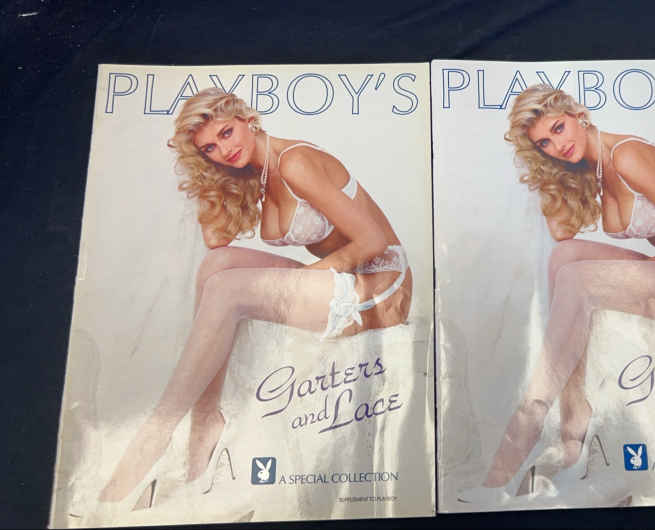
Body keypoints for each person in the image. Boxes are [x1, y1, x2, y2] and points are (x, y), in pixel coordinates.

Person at [85, 88, 412, 519]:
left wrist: (310, 276)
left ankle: (155, 436)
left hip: (380, 287)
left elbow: (371, 241)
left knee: (228, 290)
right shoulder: (257, 172)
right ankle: (205, 421)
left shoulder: (294, 162)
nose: (224, 149)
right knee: (217, 267)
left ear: (247, 119)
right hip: (339, 278)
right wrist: (211, 180)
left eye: (226, 133)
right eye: (209, 148)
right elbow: (216, 242)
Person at [458, 85, 655, 505]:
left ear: (579, 115)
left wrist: (636, 273)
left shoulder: (628, 156)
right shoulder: (591, 166)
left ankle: (532, 426)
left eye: (559, 128)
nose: (558, 145)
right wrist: (550, 176)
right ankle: (573, 413)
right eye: (544, 143)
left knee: (581, 281)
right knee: (565, 258)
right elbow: (561, 233)